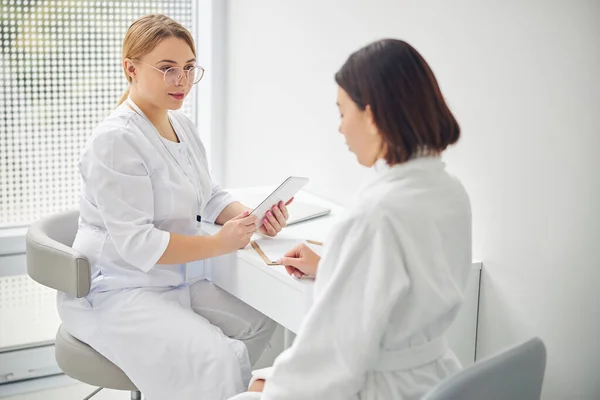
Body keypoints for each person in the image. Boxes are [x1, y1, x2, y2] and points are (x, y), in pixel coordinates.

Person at [57, 14, 290, 400]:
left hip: (174, 279)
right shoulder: (115, 141)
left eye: (187, 68)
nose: (180, 81)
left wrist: (253, 216)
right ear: (130, 68)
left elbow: (209, 194)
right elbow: (138, 244)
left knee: (261, 321)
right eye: (167, 69)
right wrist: (222, 243)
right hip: (119, 290)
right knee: (215, 357)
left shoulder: (182, 126)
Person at [230, 38, 472, 400]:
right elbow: (401, 294)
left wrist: (273, 385)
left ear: (372, 117)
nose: (340, 128)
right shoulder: (450, 191)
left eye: (343, 113)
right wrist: (334, 266)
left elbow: (334, 353)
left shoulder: (376, 213)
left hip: (378, 387)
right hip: (435, 380)